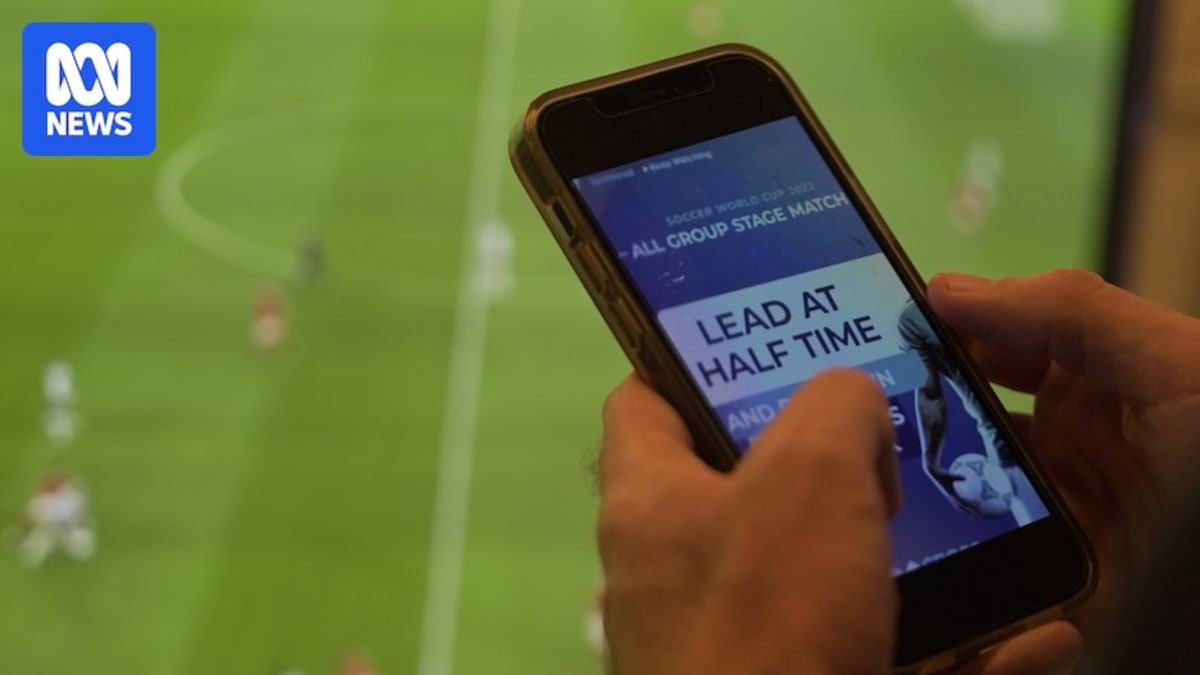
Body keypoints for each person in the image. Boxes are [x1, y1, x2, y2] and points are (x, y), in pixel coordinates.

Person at [596, 269, 1200, 674]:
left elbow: (947, 425)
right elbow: (949, 420)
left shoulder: (988, 465)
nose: (976, 476)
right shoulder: (999, 463)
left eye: (971, 487)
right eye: (971, 484)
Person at [897, 299, 1042, 523]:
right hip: (1011, 440)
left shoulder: (912, 318)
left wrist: (931, 461)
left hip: (1008, 442)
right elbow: (930, 394)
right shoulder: (913, 318)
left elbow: (930, 394)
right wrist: (929, 462)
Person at [13, 471, 96, 569]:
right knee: (30, 555)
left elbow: (80, 514)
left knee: (83, 551)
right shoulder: (42, 501)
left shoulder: (73, 497)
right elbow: (30, 518)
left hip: (71, 528)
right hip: (50, 530)